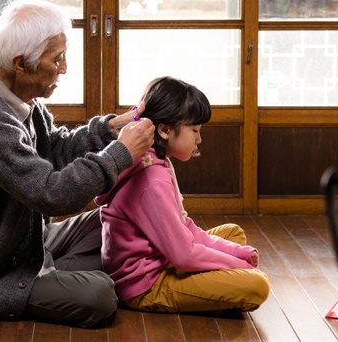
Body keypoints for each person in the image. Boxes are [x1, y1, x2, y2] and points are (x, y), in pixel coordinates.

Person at [0, 0, 155, 328]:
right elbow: (51, 194)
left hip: (26, 240)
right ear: (21, 63)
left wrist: (111, 128)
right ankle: (43, 279)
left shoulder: (21, 99)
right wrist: (121, 153)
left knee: (128, 217)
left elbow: (56, 148)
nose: (65, 68)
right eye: (58, 59)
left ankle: (55, 269)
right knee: (101, 296)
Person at [95, 76, 270, 315]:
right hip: (145, 284)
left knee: (234, 234)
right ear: (165, 130)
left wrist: (239, 256)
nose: (199, 139)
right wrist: (240, 267)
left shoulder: (154, 158)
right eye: (195, 130)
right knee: (257, 286)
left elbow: (184, 226)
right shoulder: (152, 179)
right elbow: (183, 254)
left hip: (163, 257)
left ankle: (216, 287)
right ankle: (215, 294)